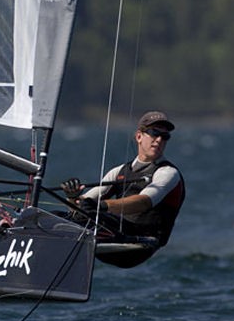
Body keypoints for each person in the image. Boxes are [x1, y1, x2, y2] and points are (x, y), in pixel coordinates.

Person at [61, 111, 185, 268]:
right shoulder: (119, 171)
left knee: (87, 218)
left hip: (140, 246)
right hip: (113, 237)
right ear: (139, 136)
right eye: (155, 133)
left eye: (165, 136)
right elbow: (83, 204)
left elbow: (144, 201)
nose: (159, 139)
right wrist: (73, 198)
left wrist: (102, 206)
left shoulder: (168, 173)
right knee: (60, 218)